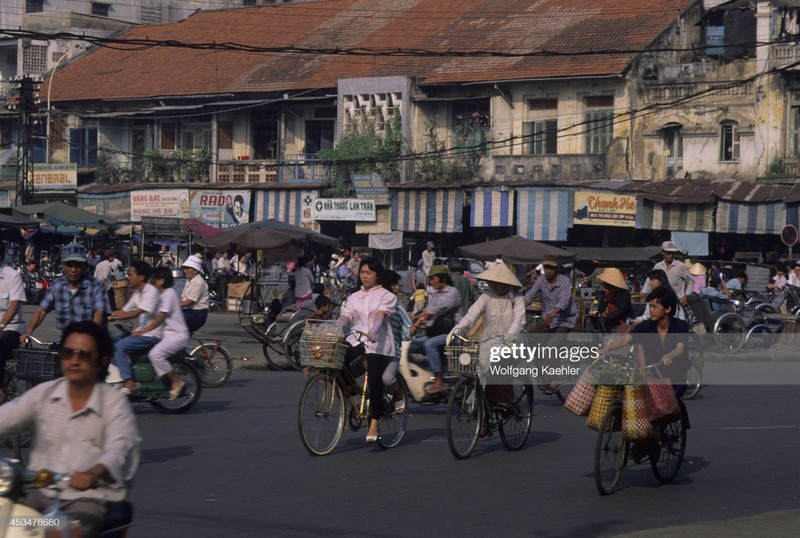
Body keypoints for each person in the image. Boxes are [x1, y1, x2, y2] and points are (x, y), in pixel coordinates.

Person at [0, 321, 141, 537]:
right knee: (6, 523)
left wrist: (94, 471)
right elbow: (7, 415)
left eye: (84, 355)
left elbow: (121, 446)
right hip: (37, 491)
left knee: (54, 533)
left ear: (101, 362)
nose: (74, 361)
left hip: (87, 498)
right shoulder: (45, 394)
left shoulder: (113, 403)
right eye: (68, 353)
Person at [337, 257, 397, 444]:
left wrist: (374, 330)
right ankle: (351, 386)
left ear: (377, 275)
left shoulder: (386, 295)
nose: (364, 276)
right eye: (362, 272)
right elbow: (345, 316)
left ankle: (374, 423)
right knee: (336, 356)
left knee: (374, 381)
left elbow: (380, 315)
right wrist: (334, 327)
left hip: (377, 342)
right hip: (356, 339)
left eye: (369, 272)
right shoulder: (354, 296)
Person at [452, 263, 526, 411]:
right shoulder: (487, 296)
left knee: (498, 369)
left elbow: (519, 319)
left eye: (498, 284)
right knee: (480, 374)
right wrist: (456, 330)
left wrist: (510, 335)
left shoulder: (516, 297)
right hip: (489, 342)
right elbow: (472, 314)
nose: (494, 287)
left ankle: (505, 403)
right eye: (492, 283)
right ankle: (483, 416)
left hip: (512, 343)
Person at [604, 286, 690, 398]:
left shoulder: (680, 325)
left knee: (671, 403)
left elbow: (680, 348)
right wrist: (607, 348)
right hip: (653, 377)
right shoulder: (645, 326)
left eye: (654, 307)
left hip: (676, 377)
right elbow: (625, 339)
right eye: (650, 306)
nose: (650, 310)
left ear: (667, 309)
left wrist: (669, 356)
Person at [21, 242, 110, 343]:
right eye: (69, 265)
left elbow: (98, 314)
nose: (73, 270)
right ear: (62, 264)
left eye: (78, 265)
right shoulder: (56, 286)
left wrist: (90, 338)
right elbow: (41, 311)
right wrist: (29, 331)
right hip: (65, 341)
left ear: (84, 265)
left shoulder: (97, 286)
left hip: (91, 341)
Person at [523, 254, 577, 394]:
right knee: (530, 334)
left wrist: (553, 313)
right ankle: (543, 365)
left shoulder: (564, 281)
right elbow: (529, 296)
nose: (548, 271)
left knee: (551, 348)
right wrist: (517, 309)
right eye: (546, 267)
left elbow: (565, 300)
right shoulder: (541, 280)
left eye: (551, 268)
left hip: (565, 319)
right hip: (548, 318)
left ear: (557, 268)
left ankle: (553, 381)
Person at [108, 261, 162, 395]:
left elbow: (137, 312)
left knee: (118, 348)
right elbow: (124, 310)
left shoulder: (151, 292)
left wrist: (115, 318)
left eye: (131, 274)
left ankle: (129, 382)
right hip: (141, 332)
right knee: (108, 343)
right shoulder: (138, 292)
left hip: (152, 334)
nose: (128, 277)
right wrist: (103, 315)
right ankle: (123, 373)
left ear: (141, 277)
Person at [137, 267, 189, 399]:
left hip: (176, 336)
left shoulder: (169, 294)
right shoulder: (161, 295)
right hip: (166, 335)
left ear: (161, 280)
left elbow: (160, 318)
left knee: (156, 354)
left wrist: (144, 331)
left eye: (154, 279)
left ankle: (177, 381)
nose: (152, 282)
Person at [408, 265, 461, 394]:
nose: (431, 282)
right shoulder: (435, 294)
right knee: (408, 345)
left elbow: (439, 309)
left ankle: (438, 381)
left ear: (442, 278)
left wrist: (422, 316)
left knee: (429, 344)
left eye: (434, 279)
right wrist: (414, 317)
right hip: (435, 333)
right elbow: (426, 310)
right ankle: (421, 375)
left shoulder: (452, 293)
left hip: (451, 334)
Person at [0, 241, 26, 398]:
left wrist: (1, 326)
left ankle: (0, 390)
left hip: (11, 328)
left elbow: (14, 305)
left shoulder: (12, 276)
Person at [640, 241, 694, 307]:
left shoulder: (681, 266)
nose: (670, 255)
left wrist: (686, 296)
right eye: (668, 253)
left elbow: (690, 281)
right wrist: (644, 292)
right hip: (661, 301)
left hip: (677, 302)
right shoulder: (658, 266)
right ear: (663, 252)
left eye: (672, 253)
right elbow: (650, 280)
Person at [591, 267, 632, 332]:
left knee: (602, 320)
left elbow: (622, 310)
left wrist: (608, 317)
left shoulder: (624, 293)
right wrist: (605, 298)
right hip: (608, 317)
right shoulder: (607, 293)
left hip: (620, 319)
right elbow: (601, 309)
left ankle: (606, 338)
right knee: (591, 319)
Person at [180, 255, 209, 333]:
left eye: (188, 268)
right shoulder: (189, 281)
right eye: (184, 268)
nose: (185, 271)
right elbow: (182, 298)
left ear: (195, 270)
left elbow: (189, 302)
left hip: (196, 314)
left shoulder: (198, 282)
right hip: (188, 311)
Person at [448, 258, 476, 323]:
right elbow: (475, 297)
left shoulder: (449, 280)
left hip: (451, 315)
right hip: (464, 314)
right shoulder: (466, 281)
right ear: (462, 272)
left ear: (450, 271)